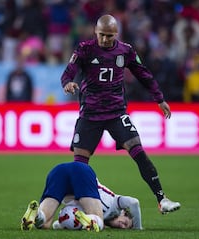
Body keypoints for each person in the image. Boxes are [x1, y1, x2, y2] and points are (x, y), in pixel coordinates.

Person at [60, 14, 181, 214]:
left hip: (116, 113)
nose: (105, 39)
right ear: (95, 32)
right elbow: (67, 73)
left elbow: (144, 74)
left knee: (138, 151)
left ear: (116, 34)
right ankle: (77, 208)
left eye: (109, 36)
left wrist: (159, 98)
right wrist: (68, 83)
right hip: (90, 114)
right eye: (101, 35)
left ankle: (162, 199)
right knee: (79, 166)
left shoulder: (126, 51)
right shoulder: (85, 49)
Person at [21, 161, 104, 232]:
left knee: (45, 223)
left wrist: (60, 224)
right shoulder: (112, 201)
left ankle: (38, 215)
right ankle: (91, 220)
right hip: (81, 171)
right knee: (98, 219)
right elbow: (116, 221)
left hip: (59, 170)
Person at [53, 179, 142, 230]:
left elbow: (61, 221)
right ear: (123, 212)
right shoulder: (115, 203)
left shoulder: (96, 220)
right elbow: (134, 202)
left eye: (124, 228)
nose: (122, 226)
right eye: (125, 223)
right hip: (82, 177)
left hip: (65, 191)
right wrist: (138, 228)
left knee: (46, 221)